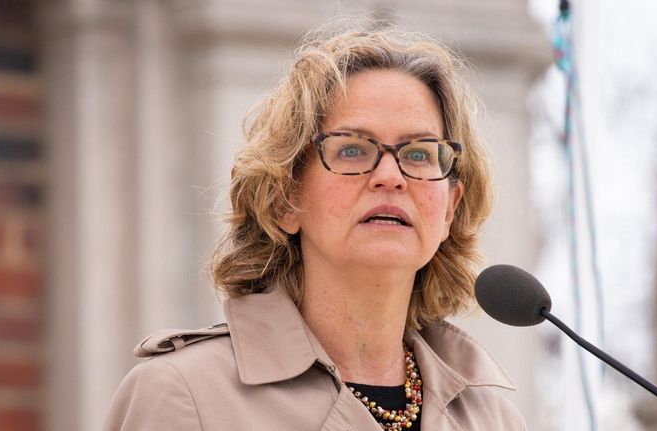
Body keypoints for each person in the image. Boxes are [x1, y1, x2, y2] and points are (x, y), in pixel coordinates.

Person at [104, 23, 526, 431]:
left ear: (449, 208)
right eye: (352, 149)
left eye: (418, 154)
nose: (390, 175)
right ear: (285, 197)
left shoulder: (494, 419)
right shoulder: (185, 394)